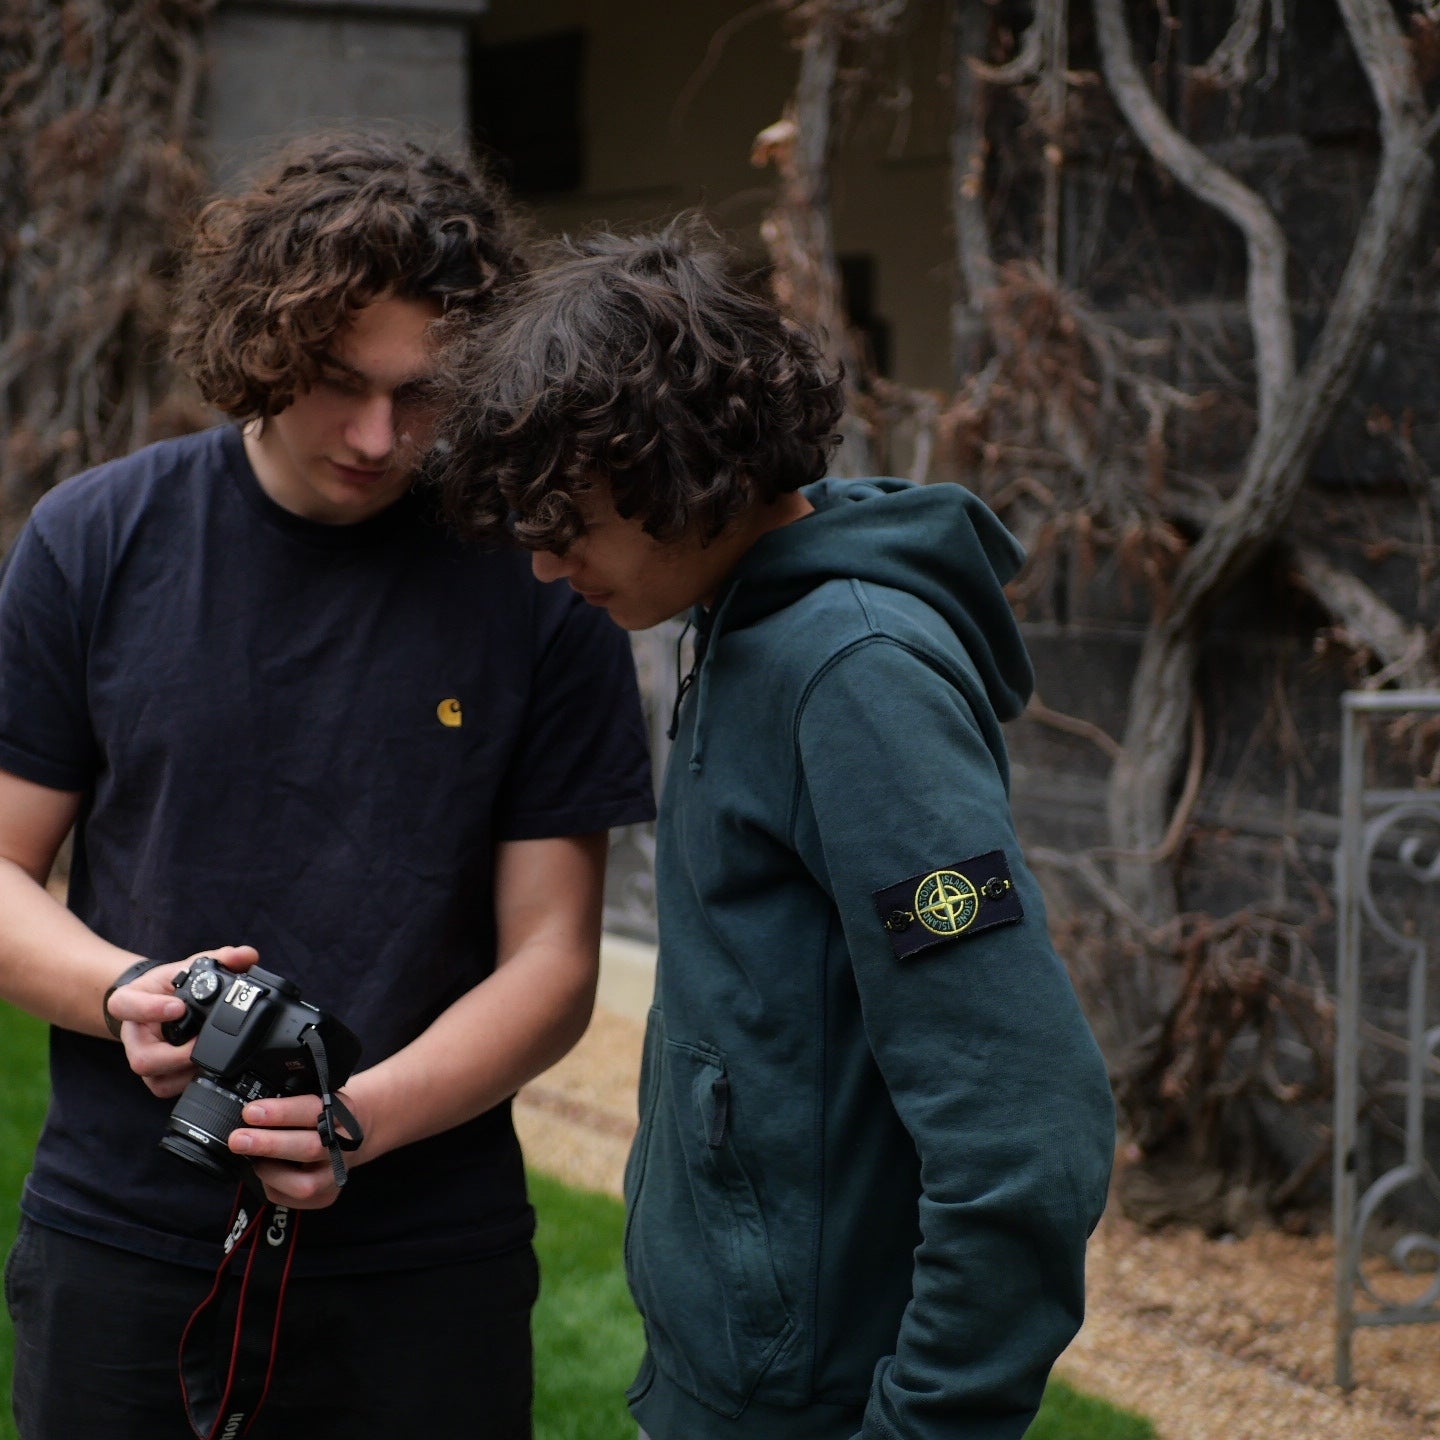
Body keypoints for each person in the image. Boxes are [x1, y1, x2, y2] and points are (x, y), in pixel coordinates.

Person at [0, 132, 653, 1440]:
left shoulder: (537, 580)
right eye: (340, 384)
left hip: (426, 1260)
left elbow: (553, 959)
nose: (378, 436)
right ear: (260, 342)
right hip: (127, 1236)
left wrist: (355, 1123)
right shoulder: (96, 541)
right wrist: (124, 990)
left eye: (422, 396)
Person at [435, 220, 1116, 1440]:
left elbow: (1028, 1129)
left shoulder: (853, 674)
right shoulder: (739, 621)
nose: (544, 569)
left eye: (567, 521)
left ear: (674, 465)